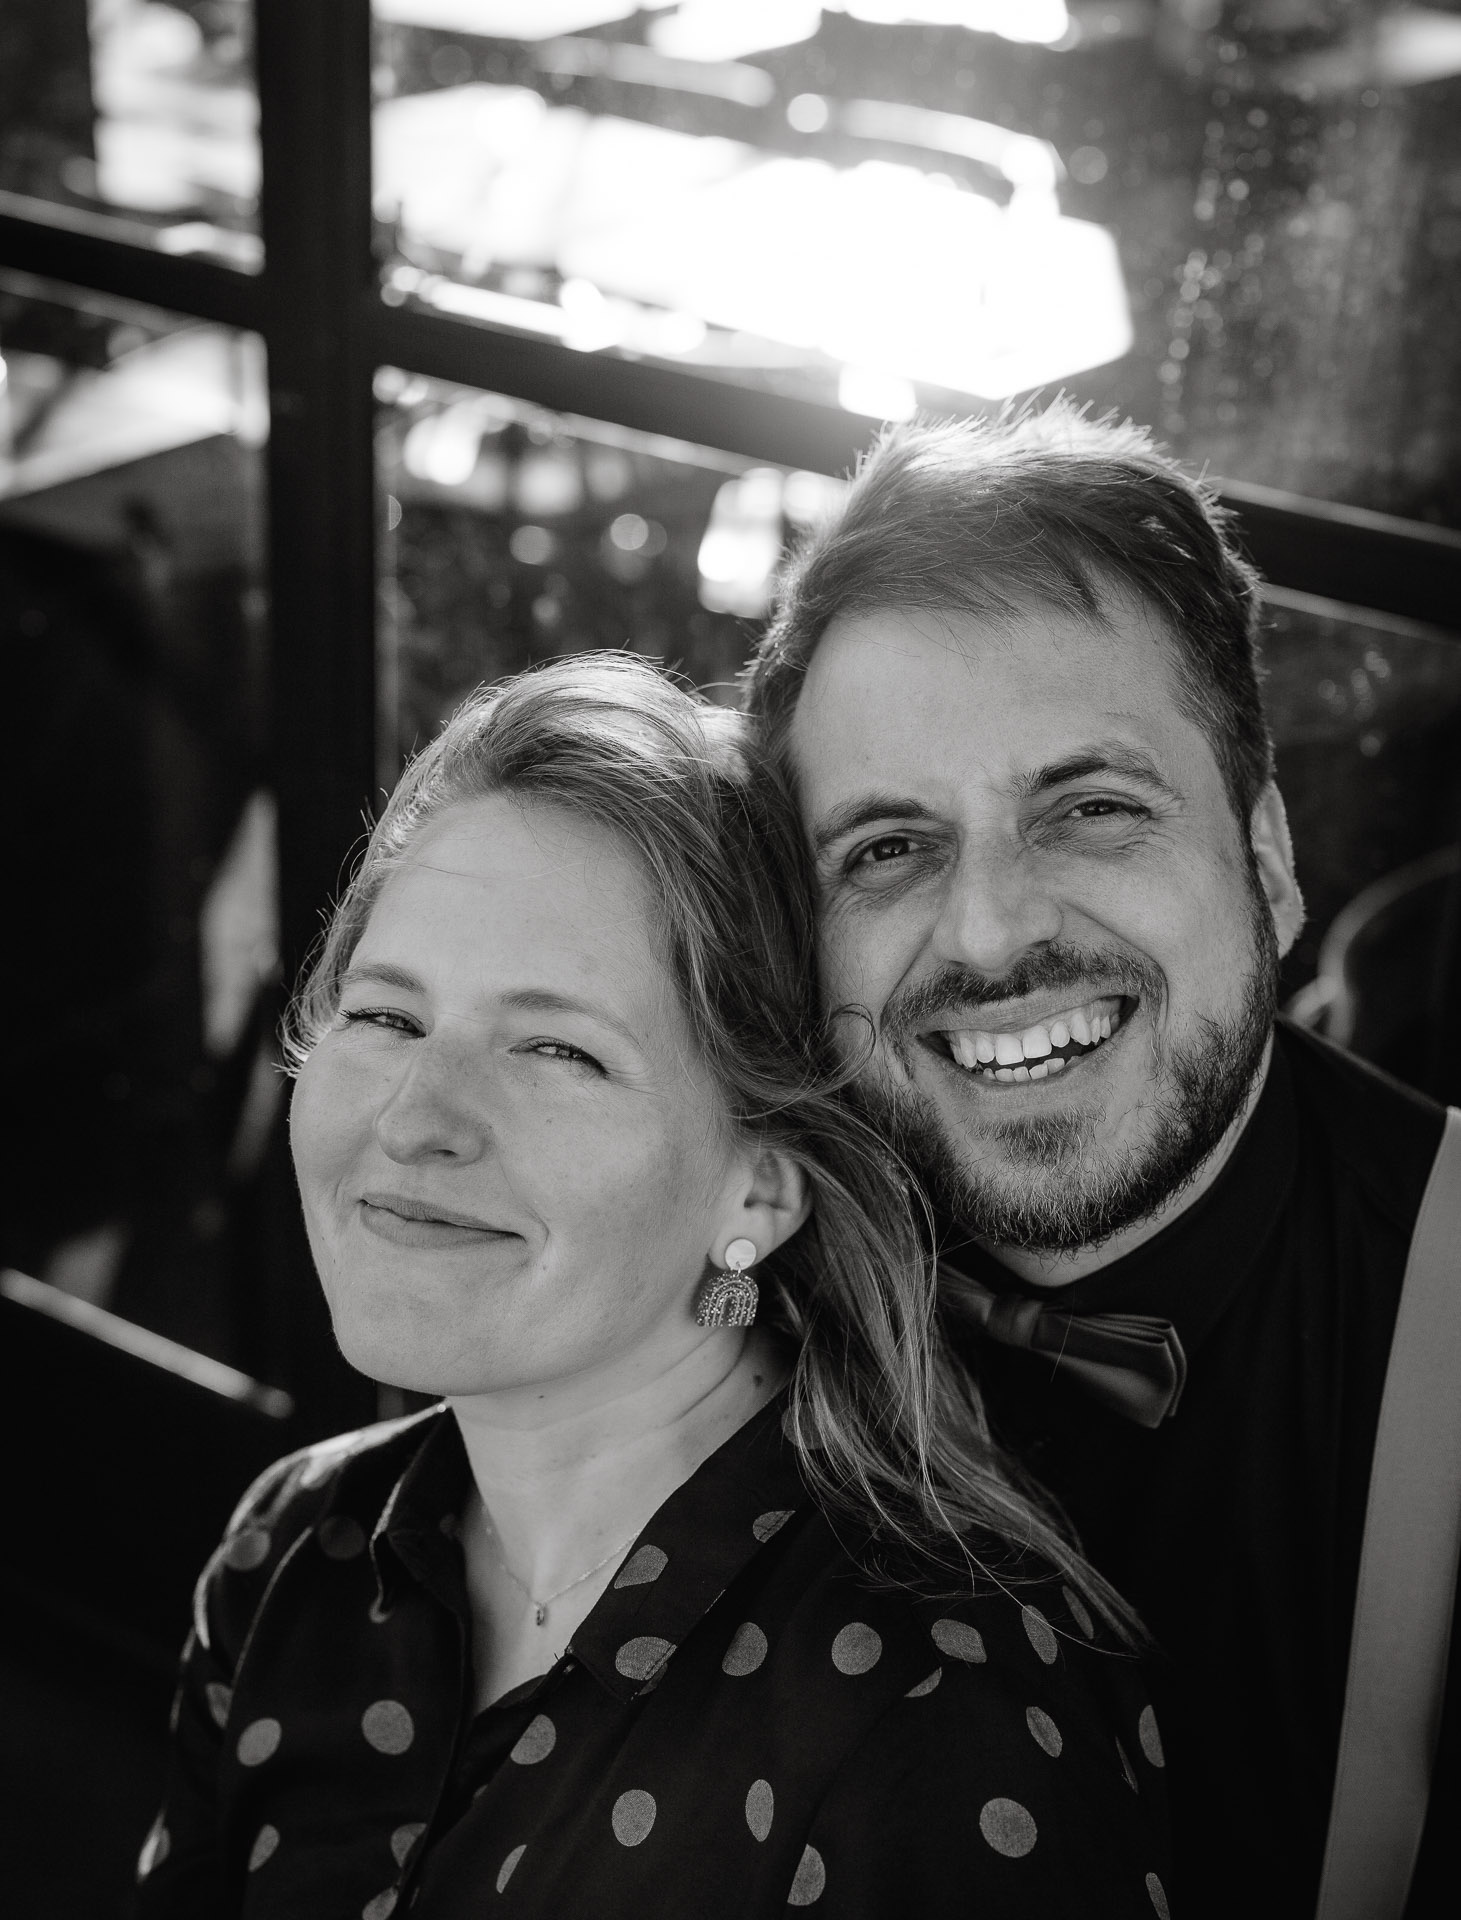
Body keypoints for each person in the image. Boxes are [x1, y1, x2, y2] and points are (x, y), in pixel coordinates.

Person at [133, 655, 1170, 1919]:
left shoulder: (939, 1720)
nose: (414, 1122)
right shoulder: (292, 1550)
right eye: (387, 1018)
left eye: (556, 1049)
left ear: (761, 1193)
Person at [743, 403, 1460, 1920]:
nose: (991, 931)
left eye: (1091, 809)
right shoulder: (726, 1268)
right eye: (888, 848)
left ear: (1267, 862)